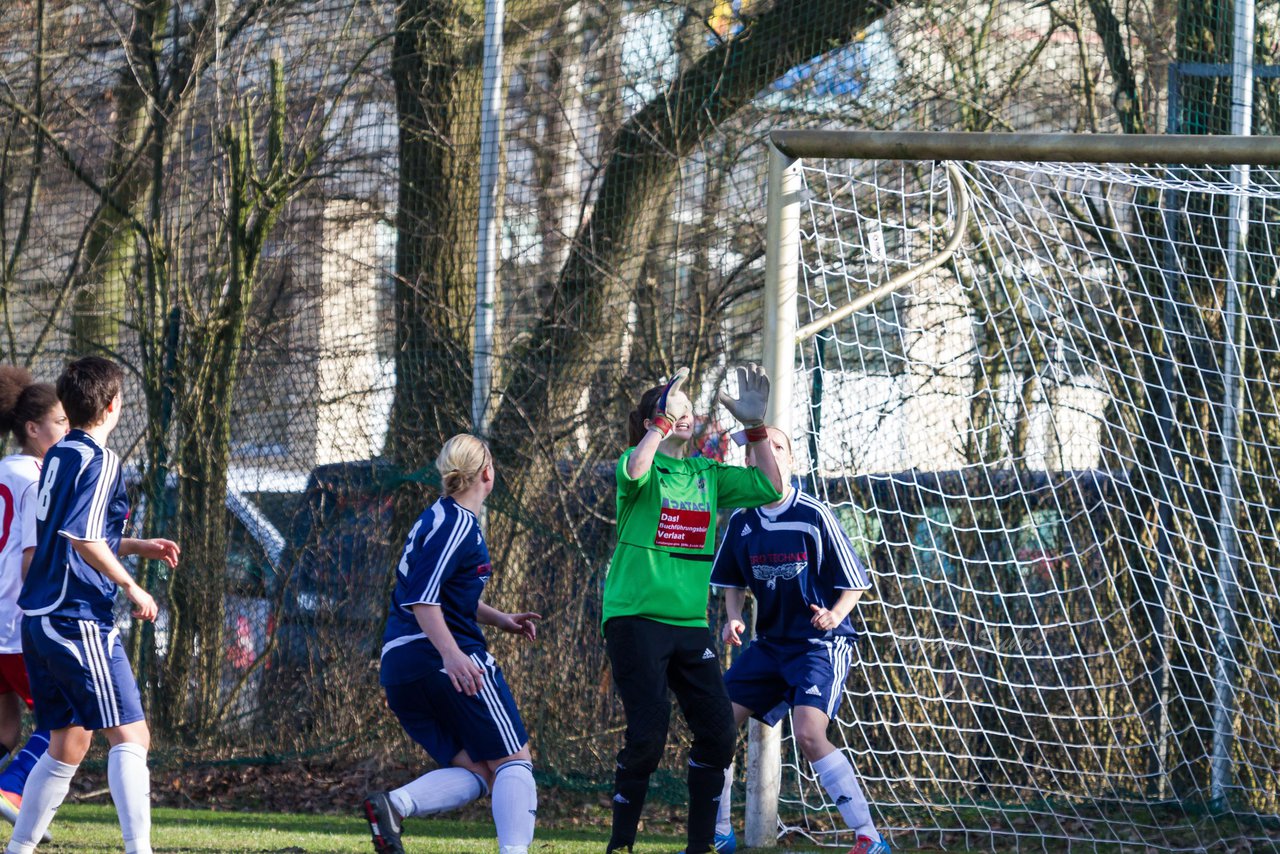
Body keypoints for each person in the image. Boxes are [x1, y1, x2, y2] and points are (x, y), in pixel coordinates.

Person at [604, 364, 784, 854]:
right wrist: (660, 421)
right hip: (634, 618)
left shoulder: (706, 472)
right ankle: (620, 845)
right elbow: (636, 469)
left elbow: (772, 487)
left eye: (686, 410)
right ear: (652, 422)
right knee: (647, 736)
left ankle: (700, 847)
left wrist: (756, 428)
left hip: (688, 626)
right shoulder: (637, 466)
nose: (684, 415)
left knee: (719, 733)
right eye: (672, 410)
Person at [5, 356, 178, 854]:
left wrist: (136, 545)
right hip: (75, 615)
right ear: (112, 406)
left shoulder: (57, 455)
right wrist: (133, 585)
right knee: (131, 736)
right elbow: (82, 538)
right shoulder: (101, 460)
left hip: (37, 619)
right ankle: (138, 849)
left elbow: (69, 533)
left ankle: (18, 849)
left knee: (68, 744)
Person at [710, 426, 889, 854]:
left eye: (777, 446)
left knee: (809, 734)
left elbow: (856, 583)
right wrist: (733, 618)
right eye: (759, 448)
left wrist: (834, 614)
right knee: (713, 723)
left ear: (790, 460)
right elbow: (730, 580)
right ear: (749, 464)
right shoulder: (742, 520)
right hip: (770, 645)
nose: (767, 452)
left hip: (818, 646)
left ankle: (869, 837)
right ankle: (718, 832)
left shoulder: (813, 514)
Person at [363, 433, 541, 854]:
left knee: (480, 772)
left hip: (402, 670)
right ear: (487, 473)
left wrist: (501, 619)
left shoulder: (438, 517)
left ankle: (393, 805)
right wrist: (452, 655)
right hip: (441, 660)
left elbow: (446, 594)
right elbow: (423, 600)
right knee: (515, 762)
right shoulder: (459, 524)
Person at [0, 367, 68, 841]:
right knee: (67, 714)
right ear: (32, 428)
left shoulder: (4, 469)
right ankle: (14, 788)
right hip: (18, 621)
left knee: (5, 727)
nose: (66, 429)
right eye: (60, 421)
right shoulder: (39, 479)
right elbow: (38, 553)